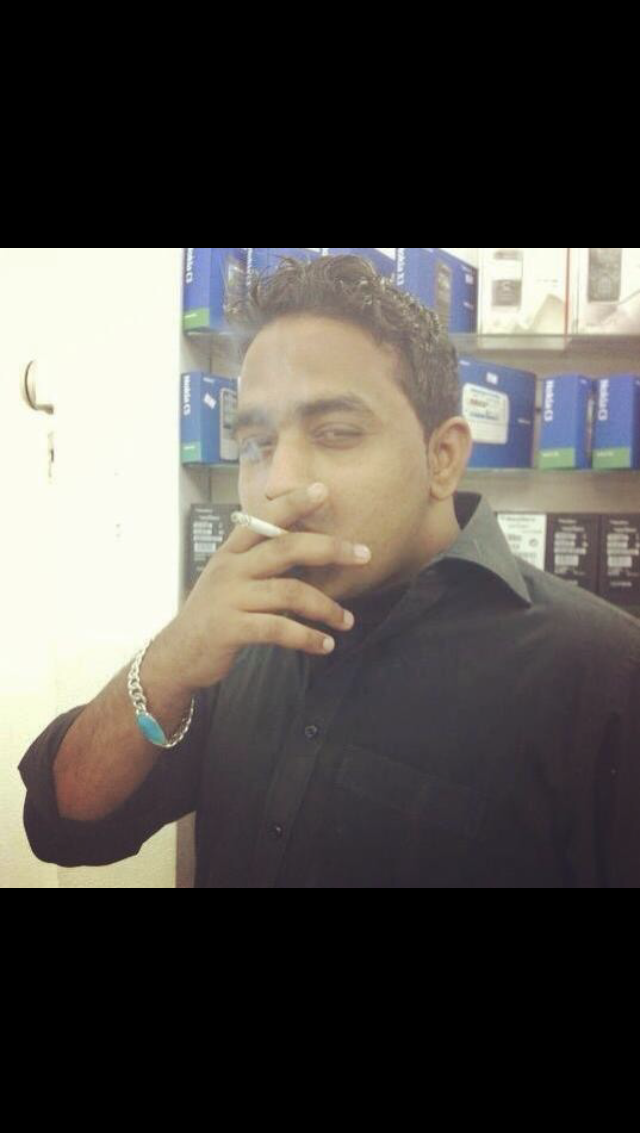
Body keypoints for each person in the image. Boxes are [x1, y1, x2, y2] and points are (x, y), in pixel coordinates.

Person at [19, 255, 640, 887]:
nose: (279, 482)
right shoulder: (233, 638)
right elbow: (62, 823)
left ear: (443, 457)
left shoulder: (602, 671)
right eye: (257, 445)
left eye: (337, 433)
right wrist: (170, 658)